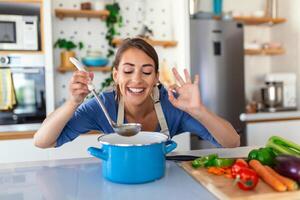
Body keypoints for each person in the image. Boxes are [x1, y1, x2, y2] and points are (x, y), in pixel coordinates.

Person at [34, 38, 240, 149]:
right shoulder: (102, 105)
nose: (137, 80)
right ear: (115, 75)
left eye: (147, 72)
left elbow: (232, 143)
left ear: (156, 77)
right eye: (128, 71)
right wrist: (73, 102)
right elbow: (42, 141)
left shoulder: (173, 105)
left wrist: (199, 110)